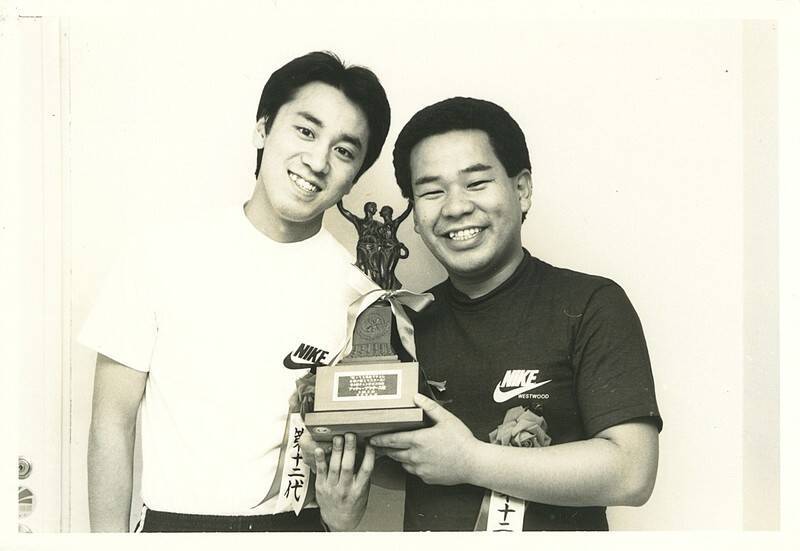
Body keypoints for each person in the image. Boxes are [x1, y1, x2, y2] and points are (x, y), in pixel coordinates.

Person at [80, 51, 390, 532]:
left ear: (355, 177)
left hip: (296, 527)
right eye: (305, 131)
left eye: (344, 151)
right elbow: (111, 422)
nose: (317, 161)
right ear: (263, 129)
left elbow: (352, 458)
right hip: (172, 526)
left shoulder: (363, 297)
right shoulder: (159, 253)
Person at [370, 97, 662, 531]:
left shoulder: (590, 304)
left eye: (476, 183)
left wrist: (471, 460)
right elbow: (406, 462)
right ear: (414, 214)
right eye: (431, 191)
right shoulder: (403, 321)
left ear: (522, 190)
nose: (455, 207)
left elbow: (632, 472)